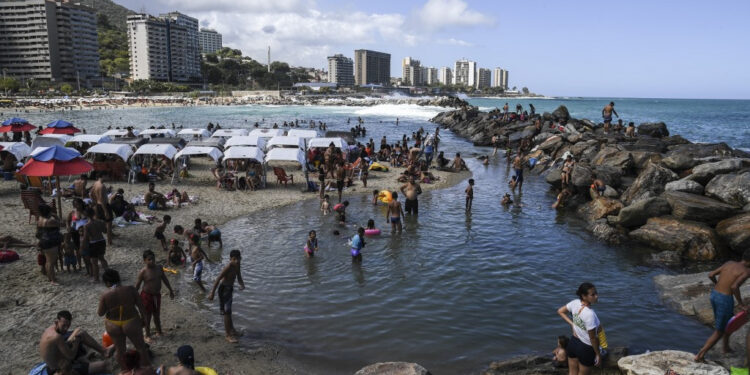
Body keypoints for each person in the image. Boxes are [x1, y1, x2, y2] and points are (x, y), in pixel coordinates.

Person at [694, 249, 750, 362]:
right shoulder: (747, 271)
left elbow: (711, 274)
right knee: (719, 331)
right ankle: (700, 355)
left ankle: (725, 347)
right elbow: (734, 286)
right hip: (724, 300)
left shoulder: (729, 263)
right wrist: (741, 304)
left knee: (729, 322)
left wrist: (718, 284)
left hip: (714, 294)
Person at [98, 269, 151, 368]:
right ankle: (146, 370)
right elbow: (141, 307)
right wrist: (145, 320)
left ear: (108, 282)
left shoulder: (105, 295)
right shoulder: (130, 289)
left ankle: (124, 371)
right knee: (140, 347)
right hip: (131, 321)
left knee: (120, 350)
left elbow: (100, 313)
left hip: (113, 324)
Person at [39, 310, 110, 375]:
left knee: (80, 332)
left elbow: (61, 346)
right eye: (64, 326)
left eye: (68, 325)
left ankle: (104, 351)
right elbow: (71, 356)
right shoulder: (56, 337)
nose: (66, 329)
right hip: (59, 368)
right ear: (56, 322)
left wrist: (75, 337)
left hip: (61, 358)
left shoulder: (51, 329)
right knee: (103, 365)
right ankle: (84, 359)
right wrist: (76, 342)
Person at [557, 282, 603, 374]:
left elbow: (560, 311)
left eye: (596, 293)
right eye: (593, 295)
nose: (596, 296)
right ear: (584, 296)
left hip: (573, 343)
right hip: (586, 348)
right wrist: (598, 354)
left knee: (572, 373)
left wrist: (572, 324)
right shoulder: (590, 314)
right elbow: (593, 338)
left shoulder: (575, 303)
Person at [136, 250, 175, 342]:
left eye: (153, 259)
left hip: (157, 296)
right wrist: (134, 298)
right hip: (146, 296)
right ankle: (147, 335)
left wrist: (170, 290)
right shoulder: (143, 272)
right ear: (144, 260)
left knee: (157, 315)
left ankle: (159, 331)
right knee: (147, 316)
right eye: (149, 259)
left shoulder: (159, 268)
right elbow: (137, 286)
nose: (152, 261)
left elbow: (164, 279)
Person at [208, 249, 245, 343]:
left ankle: (232, 330)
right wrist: (212, 293)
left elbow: (239, 276)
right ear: (230, 259)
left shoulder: (237, 265)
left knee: (229, 311)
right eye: (234, 259)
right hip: (223, 289)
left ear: (240, 258)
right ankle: (228, 335)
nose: (236, 261)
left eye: (238, 259)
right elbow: (218, 279)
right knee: (227, 312)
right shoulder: (228, 266)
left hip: (230, 289)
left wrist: (242, 284)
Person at [37, 204, 62, 285]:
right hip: (51, 242)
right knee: (51, 261)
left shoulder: (40, 219)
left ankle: (50, 277)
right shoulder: (51, 221)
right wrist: (55, 216)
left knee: (48, 261)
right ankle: (53, 280)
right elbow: (62, 223)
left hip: (43, 241)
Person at [82, 206, 109, 282]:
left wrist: (83, 246)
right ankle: (109, 275)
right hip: (101, 241)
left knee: (94, 262)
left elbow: (86, 237)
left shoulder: (87, 225)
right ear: (93, 213)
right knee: (102, 258)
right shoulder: (100, 222)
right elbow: (105, 231)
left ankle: (96, 279)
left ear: (86, 214)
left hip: (93, 243)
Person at [90, 175, 114, 245]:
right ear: (103, 176)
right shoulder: (102, 186)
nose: (108, 178)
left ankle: (97, 239)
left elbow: (91, 194)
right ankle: (109, 242)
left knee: (98, 222)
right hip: (104, 206)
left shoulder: (96, 183)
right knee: (109, 224)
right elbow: (101, 199)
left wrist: (94, 201)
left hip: (98, 205)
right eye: (107, 177)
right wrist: (106, 211)